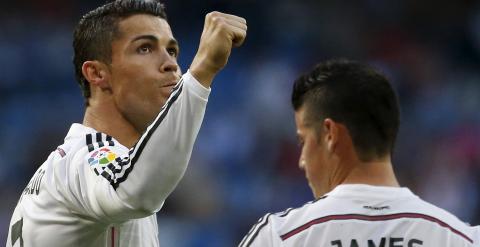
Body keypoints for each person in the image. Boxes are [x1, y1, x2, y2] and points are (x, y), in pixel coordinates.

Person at [6, 0, 246, 246]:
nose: (171, 64)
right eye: (144, 48)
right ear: (97, 74)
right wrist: (202, 70)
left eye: (172, 51)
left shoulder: (78, 168)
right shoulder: (83, 160)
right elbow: (134, 190)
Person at [239, 59, 479, 247]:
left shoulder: (281, 236)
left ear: (330, 134)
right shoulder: (462, 239)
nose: (302, 161)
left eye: (303, 141)